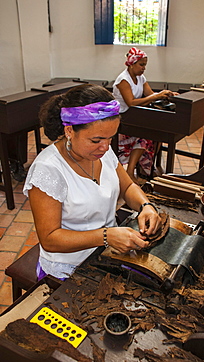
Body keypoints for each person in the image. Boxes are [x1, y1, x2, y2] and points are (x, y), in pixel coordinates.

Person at [23, 84, 162, 281]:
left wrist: (145, 206)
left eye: (110, 138)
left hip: (107, 252)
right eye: (96, 140)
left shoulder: (101, 151)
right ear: (70, 130)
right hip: (71, 264)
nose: (105, 147)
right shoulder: (48, 170)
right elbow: (50, 240)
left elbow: (128, 186)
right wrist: (106, 236)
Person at [113, 47, 179, 184]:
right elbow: (131, 102)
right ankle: (130, 172)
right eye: (141, 65)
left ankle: (146, 169)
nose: (144, 68)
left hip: (134, 116)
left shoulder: (140, 78)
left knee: (156, 133)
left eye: (145, 65)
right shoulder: (123, 80)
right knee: (145, 136)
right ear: (131, 63)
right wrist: (157, 96)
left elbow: (150, 95)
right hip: (122, 119)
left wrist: (166, 94)